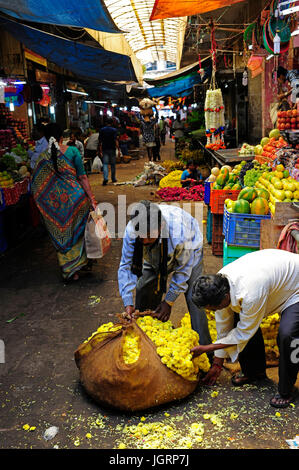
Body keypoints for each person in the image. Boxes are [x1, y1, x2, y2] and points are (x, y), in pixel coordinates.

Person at [190, 249, 299, 408]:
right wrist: (217, 364)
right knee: (237, 319)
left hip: (296, 289)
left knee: (288, 335)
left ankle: (287, 390)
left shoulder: (250, 292)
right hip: (277, 284)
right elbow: (224, 328)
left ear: (223, 299)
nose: (212, 312)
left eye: (212, 309)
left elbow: (244, 332)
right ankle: (254, 372)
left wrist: (208, 348)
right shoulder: (220, 285)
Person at [118, 200, 212, 354]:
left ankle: (205, 352)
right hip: (158, 249)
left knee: (195, 297)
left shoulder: (180, 233)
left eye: (148, 236)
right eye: (141, 238)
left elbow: (183, 270)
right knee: (145, 286)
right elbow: (126, 266)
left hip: (190, 250)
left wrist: (168, 301)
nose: (145, 241)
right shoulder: (134, 231)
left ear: (160, 227)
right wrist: (128, 302)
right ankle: (145, 334)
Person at [31, 123, 97, 282]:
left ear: (45, 137)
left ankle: (70, 271)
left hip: (55, 206)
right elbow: (82, 177)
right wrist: (92, 199)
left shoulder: (41, 158)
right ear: (62, 136)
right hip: (77, 200)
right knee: (77, 233)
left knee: (61, 235)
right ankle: (80, 264)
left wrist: (46, 204)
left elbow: (35, 185)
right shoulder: (73, 151)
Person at [98, 117, 120, 185]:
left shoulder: (102, 130)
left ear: (105, 123)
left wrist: (100, 150)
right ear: (112, 123)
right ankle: (113, 178)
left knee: (105, 164)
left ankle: (105, 178)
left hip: (105, 148)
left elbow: (100, 141)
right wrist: (118, 149)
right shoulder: (114, 130)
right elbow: (115, 140)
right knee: (113, 164)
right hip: (112, 148)